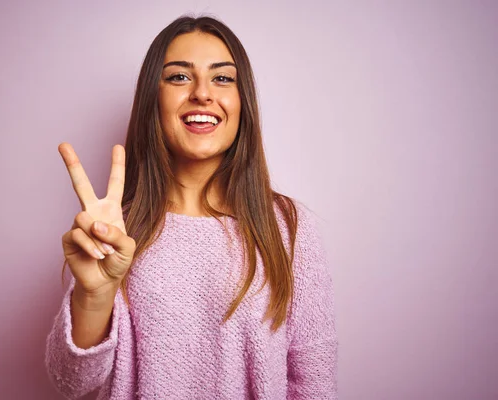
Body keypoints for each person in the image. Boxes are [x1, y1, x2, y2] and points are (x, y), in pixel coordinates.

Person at [45, 15, 338, 399]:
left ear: (242, 101)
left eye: (222, 78)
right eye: (179, 77)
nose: (202, 93)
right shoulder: (115, 231)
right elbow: (71, 384)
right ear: (154, 98)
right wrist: (94, 296)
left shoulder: (287, 228)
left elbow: (315, 383)